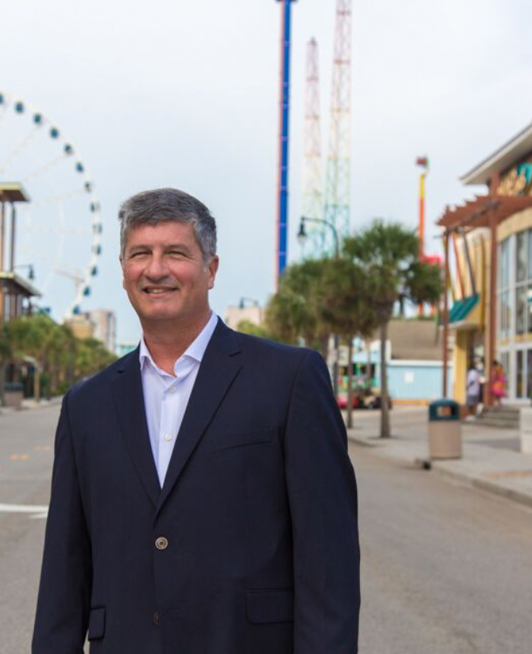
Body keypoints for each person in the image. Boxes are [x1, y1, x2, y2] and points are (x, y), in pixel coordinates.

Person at [33, 188, 360, 653]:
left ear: (211, 269)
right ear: (123, 272)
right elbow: (64, 572)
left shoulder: (289, 380)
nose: (156, 269)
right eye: (140, 253)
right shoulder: (86, 405)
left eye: (176, 253)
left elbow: (329, 564)